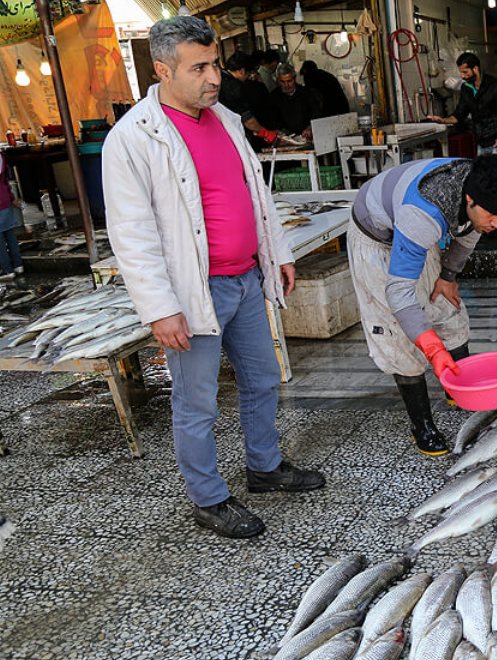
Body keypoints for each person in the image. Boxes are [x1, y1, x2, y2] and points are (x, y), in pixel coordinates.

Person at [102, 16, 325, 539]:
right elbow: (131, 234)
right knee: (196, 401)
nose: (214, 77)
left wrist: (278, 252)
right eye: (198, 67)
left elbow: (256, 195)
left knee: (263, 379)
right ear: (162, 70)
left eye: (215, 64)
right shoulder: (133, 139)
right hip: (193, 291)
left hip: (246, 279)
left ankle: (264, 468)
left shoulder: (223, 117)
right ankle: (208, 498)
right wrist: (160, 308)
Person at [347, 155, 497, 456]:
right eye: (493, 215)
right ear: (470, 199)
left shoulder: (478, 184)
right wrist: (433, 349)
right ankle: (422, 425)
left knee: (446, 309)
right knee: (399, 334)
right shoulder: (423, 215)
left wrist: (448, 275)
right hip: (376, 241)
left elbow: (472, 231)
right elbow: (399, 294)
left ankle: (458, 388)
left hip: (412, 235)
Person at [426, 53, 497, 157]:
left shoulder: (495, 86)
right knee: (482, 172)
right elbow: (459, 115)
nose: (462, 76)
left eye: (465, 72)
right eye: (461, 72)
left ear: (475, 69)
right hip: (481, 142)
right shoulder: (466, 88)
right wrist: (443, 120)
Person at [219, 52, 277, 147]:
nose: (248, 78)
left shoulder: (219, 77)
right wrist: (266, 133)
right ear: (242, 71)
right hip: (231, 136)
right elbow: (248, 121)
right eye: (248, 74)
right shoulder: (234, 87)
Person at [267, 63, 322, 141]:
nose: (286, 85)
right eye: (283, 82)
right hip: (285, 138)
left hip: (306, 137)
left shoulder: (306, 93)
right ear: (278, 80)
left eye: (289, 81)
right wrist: (280, 132)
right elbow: (272, 120)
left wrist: (310, 128)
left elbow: (316, 113)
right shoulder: (274, 97)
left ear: (294, 78)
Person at [0, 152, 22, 279]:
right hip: (4, 198)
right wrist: (11, 198)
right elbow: (5, 181)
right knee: (10, 234)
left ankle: (7, 270)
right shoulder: (1, 156)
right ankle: (18, 265)